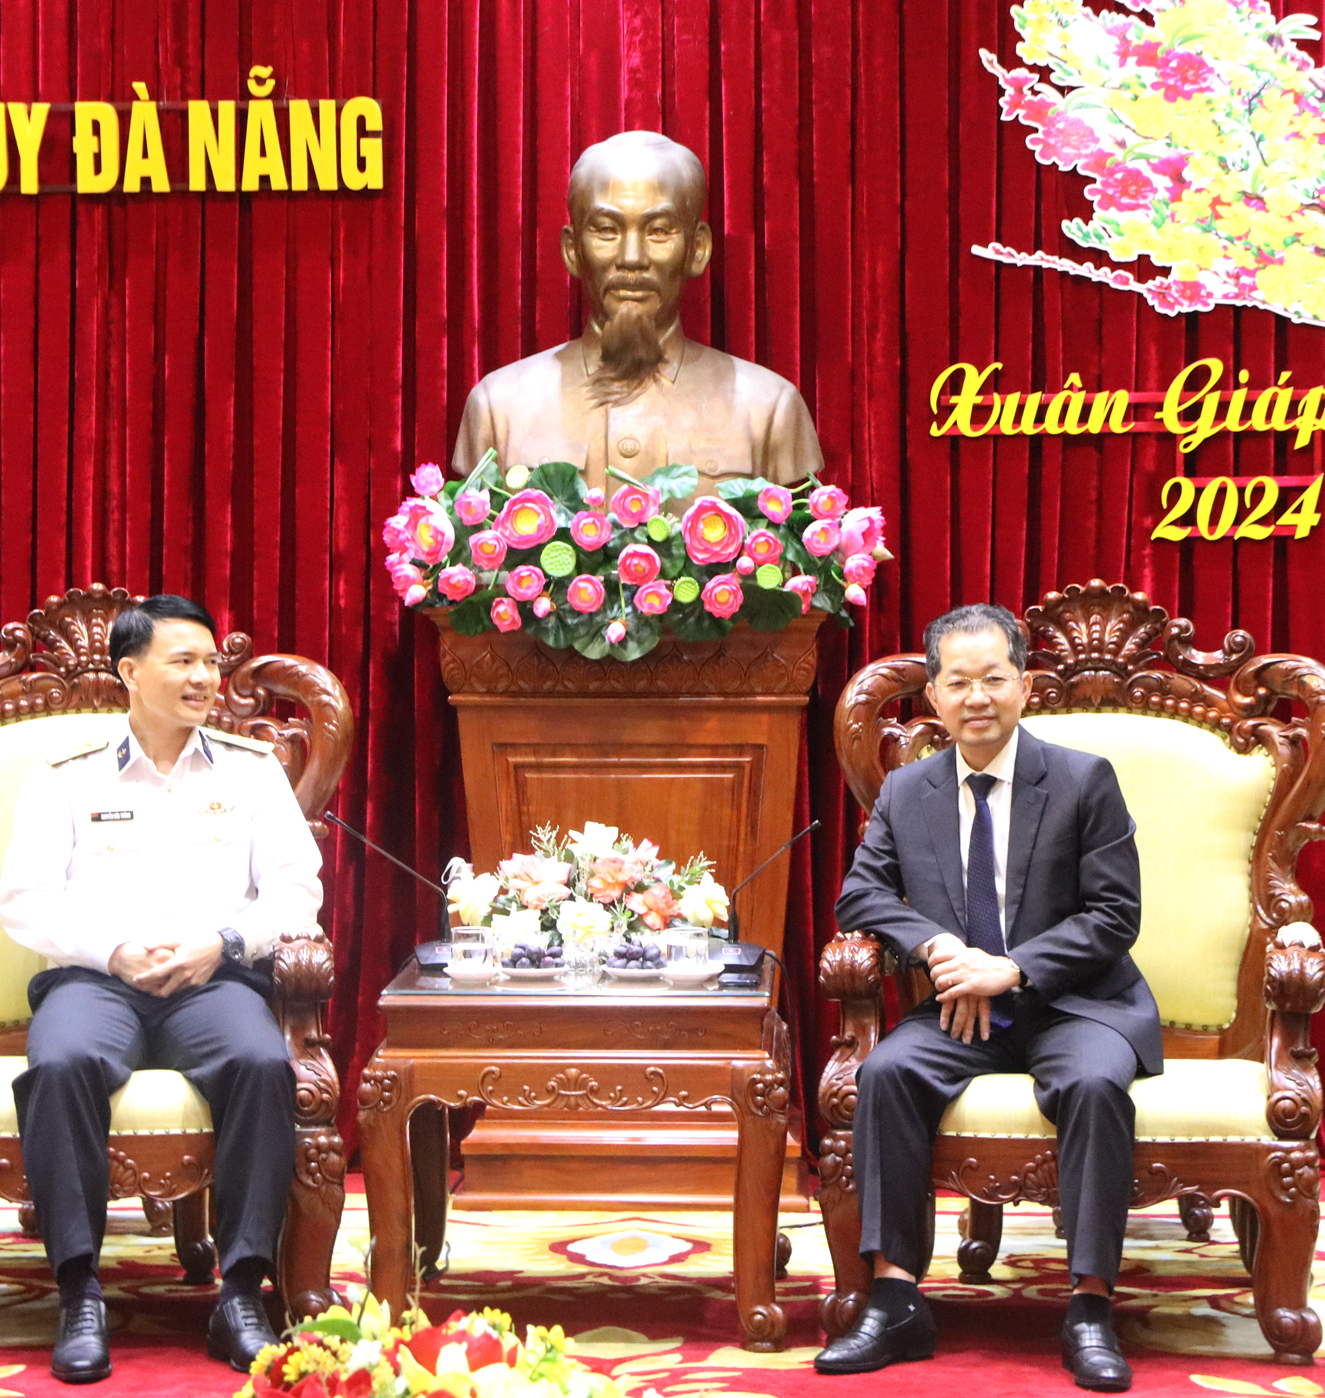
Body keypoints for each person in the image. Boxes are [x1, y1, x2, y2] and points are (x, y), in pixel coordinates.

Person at [818, 603, 1160, 1393]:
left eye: (995, 679)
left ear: (1026, 685)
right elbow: (860, 897)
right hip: (957, 1009)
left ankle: (1088, 1307)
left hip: (1077, 1004)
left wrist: (1010, 969)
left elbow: (1115, 916)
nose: (978, 698)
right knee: (886, 1074)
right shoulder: (908, 792)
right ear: (933, 696)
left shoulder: (1082, 780)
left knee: (1094, 1083)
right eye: (959, 682)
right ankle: (897, 1297)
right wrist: (940, 949)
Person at [0, 594, 325, 1384]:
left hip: (211, 980)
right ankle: (79, 1290)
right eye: (183, 661)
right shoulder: (66, 778)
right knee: (62, 1064)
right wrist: (111, 953)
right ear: (129, 672)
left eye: (211, 662)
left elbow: (297, 892)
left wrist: (224, 943)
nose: (204, 677)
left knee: (262, 1064)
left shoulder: (252, 773)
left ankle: (240, 1292)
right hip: (97, 980)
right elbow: (24, 901)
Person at [450, 130, 824, 497]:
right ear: (572, 250)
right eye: (607, 230)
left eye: (659, 230)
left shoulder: (769, 410)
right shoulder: (499, 409)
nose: (632, 258)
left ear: (697, 249)